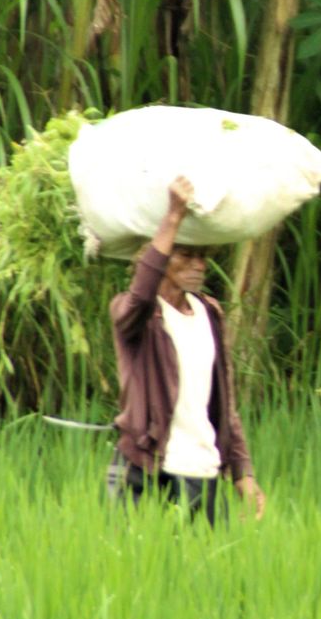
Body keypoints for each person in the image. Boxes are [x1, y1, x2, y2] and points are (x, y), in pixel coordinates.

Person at [106, 176, 266, 523]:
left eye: (203, 256)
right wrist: (173, 216)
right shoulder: (133, 315)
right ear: (160, 258)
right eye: (187, 255)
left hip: (202, 472)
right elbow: (142, 293)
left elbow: (223, 402)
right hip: (145, 472)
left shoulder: (210, 314)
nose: (199, 265)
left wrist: (242, 471)